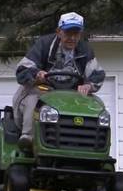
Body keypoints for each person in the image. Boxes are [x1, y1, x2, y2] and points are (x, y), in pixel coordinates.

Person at [12, 12, 106, 149]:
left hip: (71, 94)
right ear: (59, 32)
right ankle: (28, 136)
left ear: (80, 34)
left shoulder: (85, 50)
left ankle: (90, 143)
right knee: (33, 99)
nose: (72, 38)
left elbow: (97, 73)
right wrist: (37, 74)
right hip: (43, 89)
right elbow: (22, 69)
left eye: (76, 33)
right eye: (68, 33)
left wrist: (89, 86)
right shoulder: (43, 44)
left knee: (97, 103)